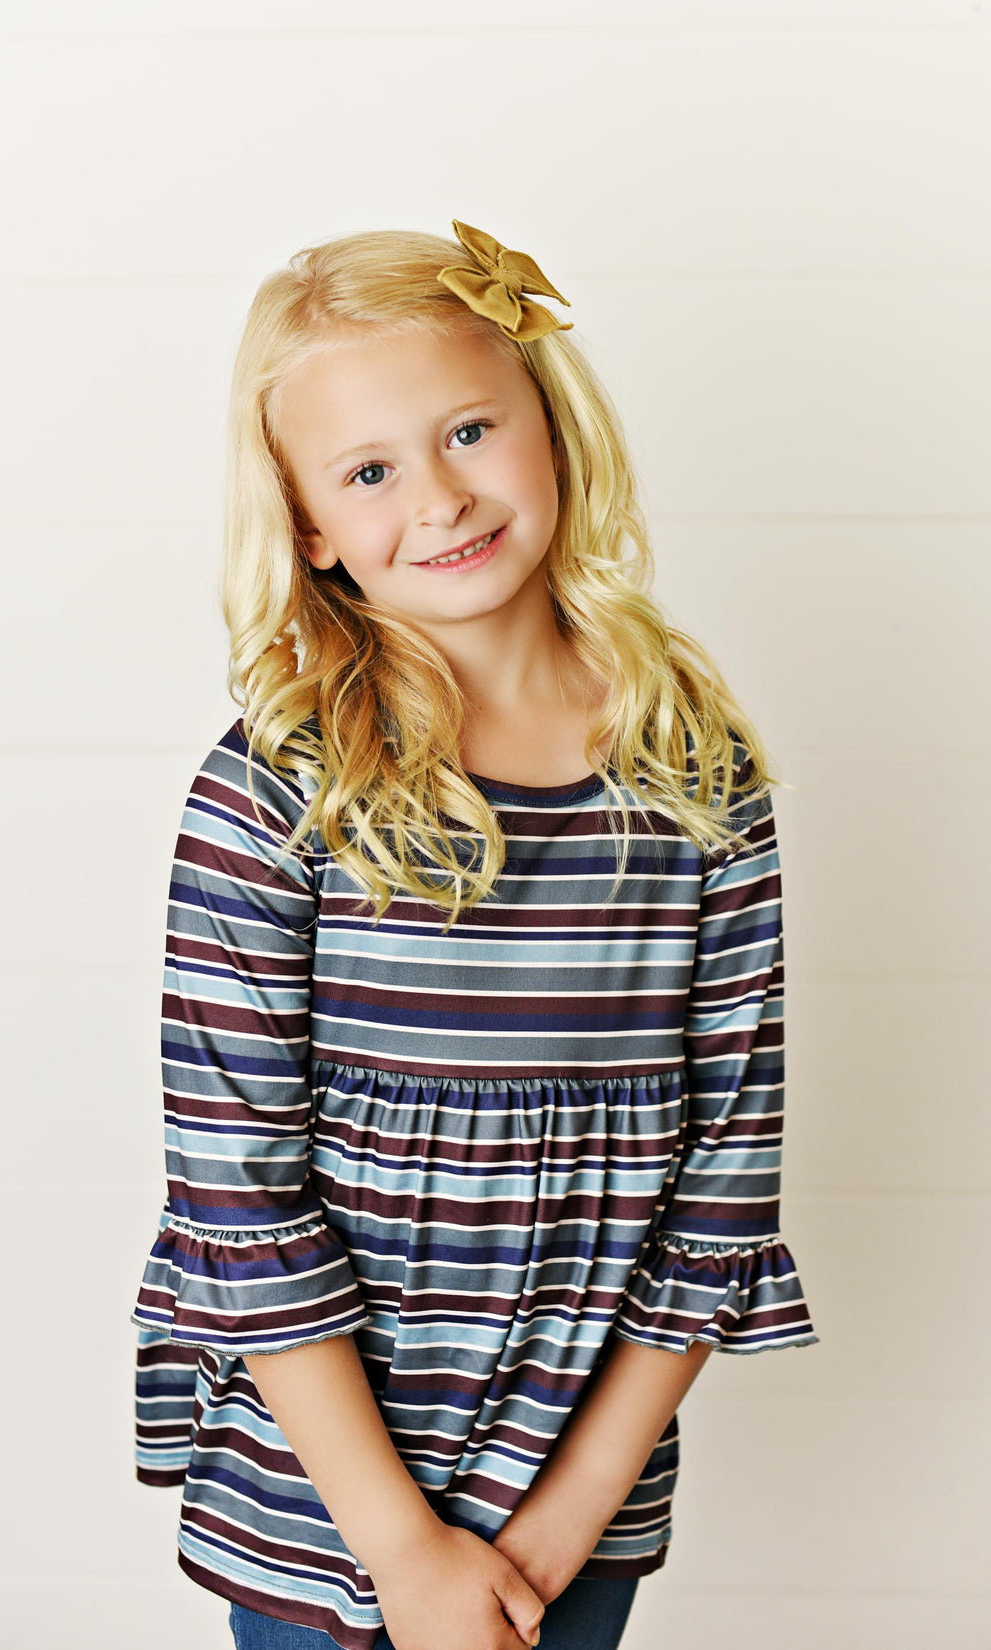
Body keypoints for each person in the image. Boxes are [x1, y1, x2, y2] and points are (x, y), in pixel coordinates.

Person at [129, 218, 820, 1650]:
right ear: (309, 528)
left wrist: (562, 1525)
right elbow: (240, 1199)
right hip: (325, 1504)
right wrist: (403, 1550)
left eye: (467, 431)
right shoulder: (277, 792)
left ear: (550, 427)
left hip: (579, 1492)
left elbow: (725, 1174)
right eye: (369, 471)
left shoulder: (696, 774)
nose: (440, 498)